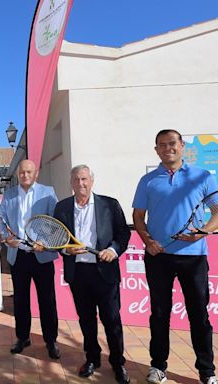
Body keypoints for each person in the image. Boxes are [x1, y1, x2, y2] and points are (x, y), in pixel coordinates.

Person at [132, 129, 217, 384]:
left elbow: (217, 212)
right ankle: (158, 366)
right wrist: (148, 242)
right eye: (161, 145)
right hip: (159, 257)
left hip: (193, 258)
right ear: (156, 150)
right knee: (159, 313)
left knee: (198, 315)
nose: (167, 148)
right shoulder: (147, 180)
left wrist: (202, 232)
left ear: (181, 146)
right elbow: (138, 217)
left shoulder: (202, 176)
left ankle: (207, 371)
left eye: (172, 143)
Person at [54, 165, 131, 384]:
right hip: (78, 273)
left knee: (112, 320)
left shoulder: (110, 204)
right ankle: (92, 359)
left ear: (92, 181)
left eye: (85, 179)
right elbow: (56, 237)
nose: (81, 184)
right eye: (77, 179)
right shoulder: (62, 208)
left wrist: (113, 250)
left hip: (105, 273)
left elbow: (123, 232)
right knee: (86, 320)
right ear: (71, 182)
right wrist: (66, 249)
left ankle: (118, 363)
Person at [0, 159, 60, 359]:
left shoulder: (48, 192)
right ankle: (22, 337)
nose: (25, 175)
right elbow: (2, 222)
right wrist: (6, 237)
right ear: (18, 174)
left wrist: (44, 241)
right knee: (20, 300)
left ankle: (51, 340)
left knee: (47, 300)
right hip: (19, 256)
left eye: (29, 172)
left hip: (41, 255)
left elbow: (55, 223)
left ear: (36, 174)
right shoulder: (8, 195)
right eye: (22, 172)